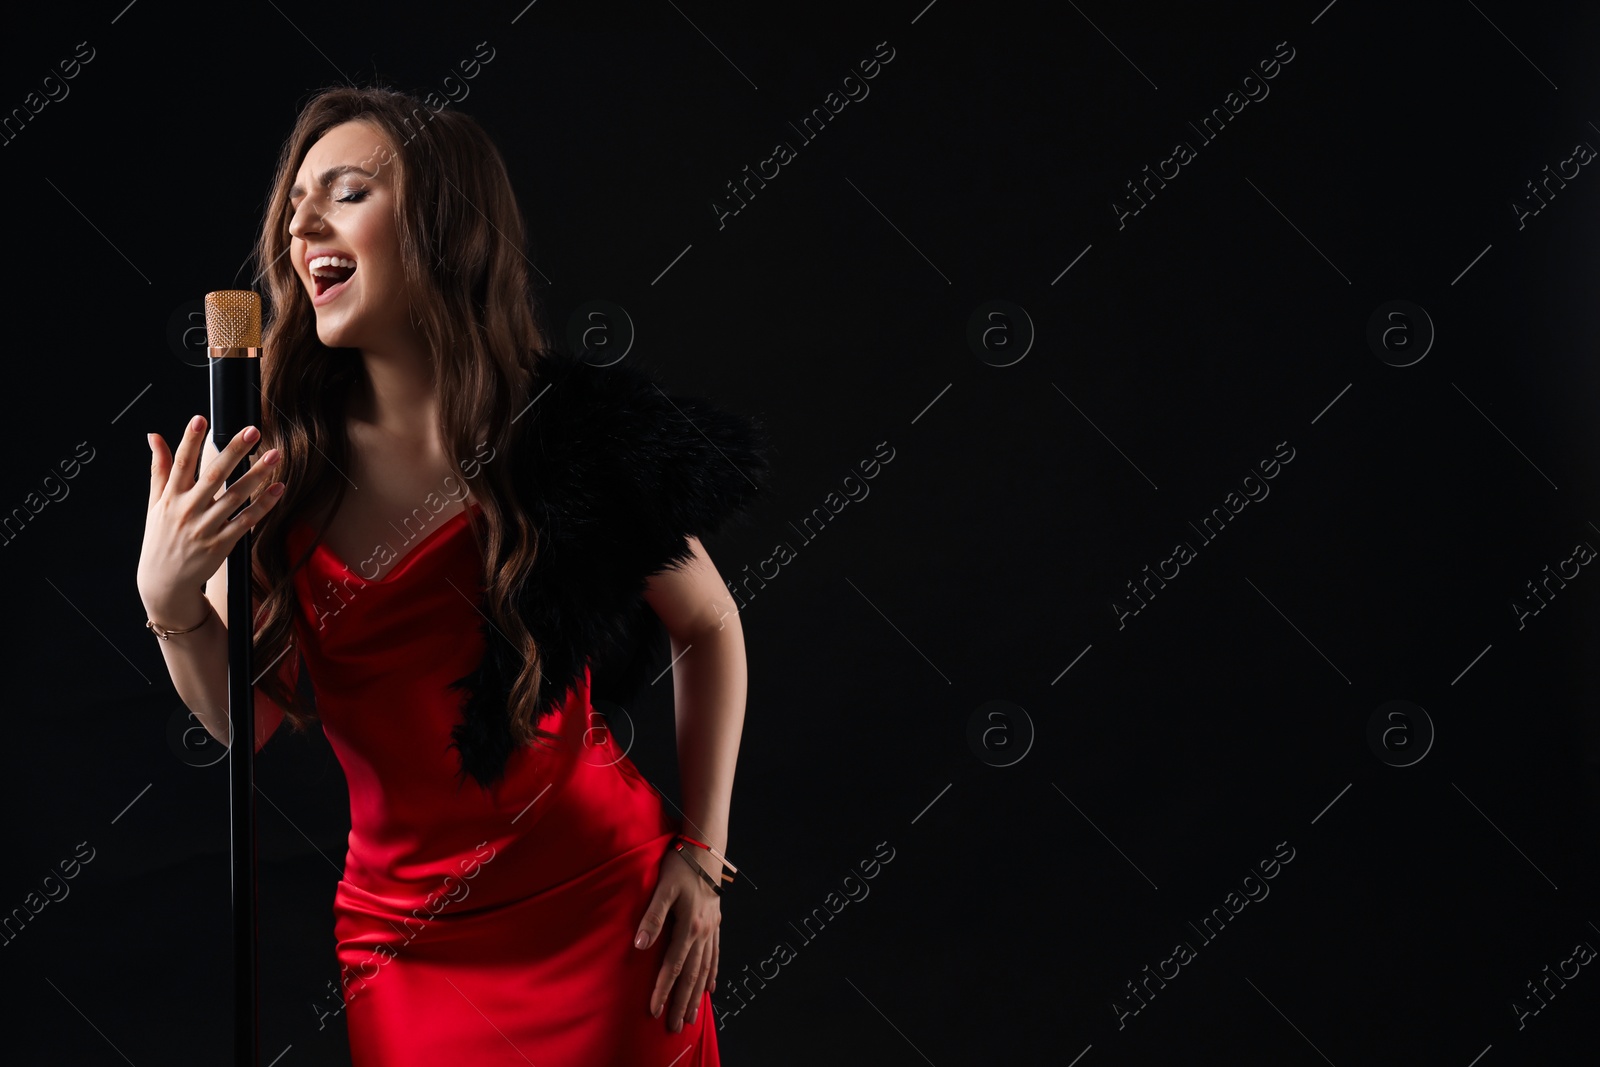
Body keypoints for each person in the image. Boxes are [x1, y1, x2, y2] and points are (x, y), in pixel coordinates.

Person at [135, 85, 770, 1065]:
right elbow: (246, 724)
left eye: (345, 192)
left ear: (443, 228)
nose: (301, 221)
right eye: (296, 201)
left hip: (606, 913)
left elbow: (710, 622)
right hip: (405, 944)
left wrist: (702, 854)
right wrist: (171, 601)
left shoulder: (562, 434)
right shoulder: (272, 465)